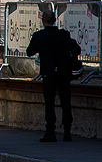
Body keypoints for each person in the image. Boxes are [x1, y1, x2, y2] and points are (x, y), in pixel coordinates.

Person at [26, 10, 74, 142]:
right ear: (55, 20)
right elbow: (75, 48)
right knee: (65, 102)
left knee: (49, 103)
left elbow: (29, 52)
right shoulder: (63, 35)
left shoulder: (39, 36)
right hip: (64, 74)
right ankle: (67, 132)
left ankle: (50, 131)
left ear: (43, 21)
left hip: (48, 73)